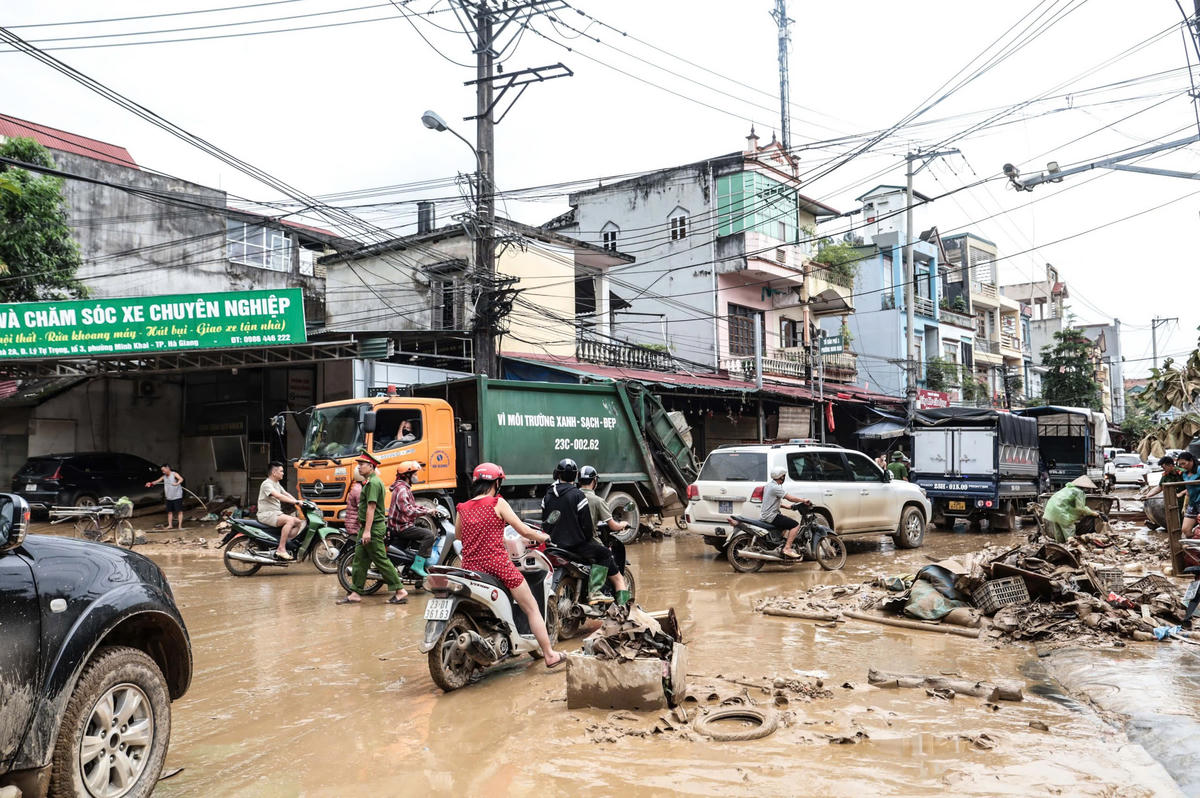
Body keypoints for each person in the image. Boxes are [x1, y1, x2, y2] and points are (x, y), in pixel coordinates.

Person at [457, 462, 565, 668]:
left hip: (470, 568)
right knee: (532, 607)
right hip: (498, 566)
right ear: (496, 483)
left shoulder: (462, 508)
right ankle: (550, 654)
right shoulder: (498, 503)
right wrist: (543, 536)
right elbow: (523, 531)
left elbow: (461, 536)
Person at [542, 458, 627, 606]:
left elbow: (546, 521)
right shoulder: (577, 496)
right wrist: (586, 539)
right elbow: (586, 525)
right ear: (575, 477)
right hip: (575, 546)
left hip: (553, 544)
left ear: (557, 474)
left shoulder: (548, 495)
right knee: (605, 553)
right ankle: (595, 592)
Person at [338, 452, 407, 605]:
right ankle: (355, 592)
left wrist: (368, 531)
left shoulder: (374, 483)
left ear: (370, 466)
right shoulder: (369, 482)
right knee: (360, 560)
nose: (359, 467)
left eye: (361, 464)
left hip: (373, 528)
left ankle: (400, 590)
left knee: (380, 560)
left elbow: (371, 507)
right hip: (367, 527)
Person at [578, 465, 631, 606]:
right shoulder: (597, 501)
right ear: (594, 481)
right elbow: (613, 525)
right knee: (618, 578)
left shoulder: (573, 497)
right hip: (591, 543)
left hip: (573, 543)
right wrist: (624, 524)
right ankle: (624, 611)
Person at [748, 467, 813, 560]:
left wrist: (789, 507)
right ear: (781, 477)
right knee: (795, 525)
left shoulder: (768, 486)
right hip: (772, 516)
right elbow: (789, 497)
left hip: (766, 515)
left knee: (784, 526)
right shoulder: (776, 487)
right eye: (783, 476)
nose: (784, 478)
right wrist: (803, 500)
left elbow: (773, 502)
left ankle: (779, 548)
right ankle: (787, 548)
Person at [386, 460, 436, 578]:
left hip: (402, 525)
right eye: (414, 474)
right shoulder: (402, 489)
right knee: (428, 535)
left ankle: (411, 570)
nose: (416, 476)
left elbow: (412, 506)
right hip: (401, 527)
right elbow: (408, 510)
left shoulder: (404, 488)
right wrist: (426, 512)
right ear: (407, 476)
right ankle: (418, 566)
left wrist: (426, 508)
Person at [257, 462, 304, 560]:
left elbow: (285, 493)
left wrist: (298, 502)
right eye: (281, 471)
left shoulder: (276, 483)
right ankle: (281, 549)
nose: (283, 473)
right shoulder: (267, 484)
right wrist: (295, 501)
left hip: (275, 513)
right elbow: (278, 496)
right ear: (274, 472)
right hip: (266, 514)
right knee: (290, 520)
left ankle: (286, 545)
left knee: (298, 522)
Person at [1042, 476, 1102, 543]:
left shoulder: (1068, 488)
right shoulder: (1079, 492)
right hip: (1061, 511)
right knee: (1069, 530)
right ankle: (1071, 548)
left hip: (1052, 509)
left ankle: (1060, 546)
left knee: (1059, 532)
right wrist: (1093, 513)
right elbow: (1080, 508)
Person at [146, 464, 185, 531]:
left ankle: (180, 526)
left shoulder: (174, 474)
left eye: (163, 470)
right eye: (162, 471)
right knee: (169, 512)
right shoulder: (164, 477)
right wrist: (150, 483)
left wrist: (177, 483)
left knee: (179, 511)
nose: (163, 472)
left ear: (167, 468)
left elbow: (181, 479)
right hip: (168, 497)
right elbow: (157, 481)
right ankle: (170, 525)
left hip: (177, 496)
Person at [1176, 451, 1200, 539]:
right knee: (1185, 530)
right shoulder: (1184, 474)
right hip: (1192, 503)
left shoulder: (1199, 470)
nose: (1182, 466)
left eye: (1184, 463)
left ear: (1191, 461)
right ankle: (1195, 547)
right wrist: (1183, 494)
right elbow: (1189, 488)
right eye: (1180, 464)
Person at [344, 470, 365, 538]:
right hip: (354, 525)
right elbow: (362, 509)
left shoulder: (356, 487)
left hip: (352, 523)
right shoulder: (358, 490)